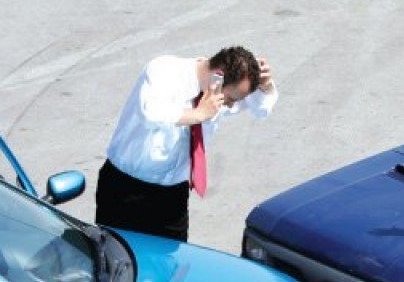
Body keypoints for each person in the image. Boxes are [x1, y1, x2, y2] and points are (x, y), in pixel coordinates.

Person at [95, 46, 277, 241]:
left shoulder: (217, 93)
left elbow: (261, 110)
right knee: (114, 261)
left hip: (172, 197)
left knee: (173, 263)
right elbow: (150, 113)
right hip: (126, 189)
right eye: (231, 99)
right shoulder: (164, 70)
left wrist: (266, 87)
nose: (231, 105)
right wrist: (198, 114)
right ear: (218, 77)